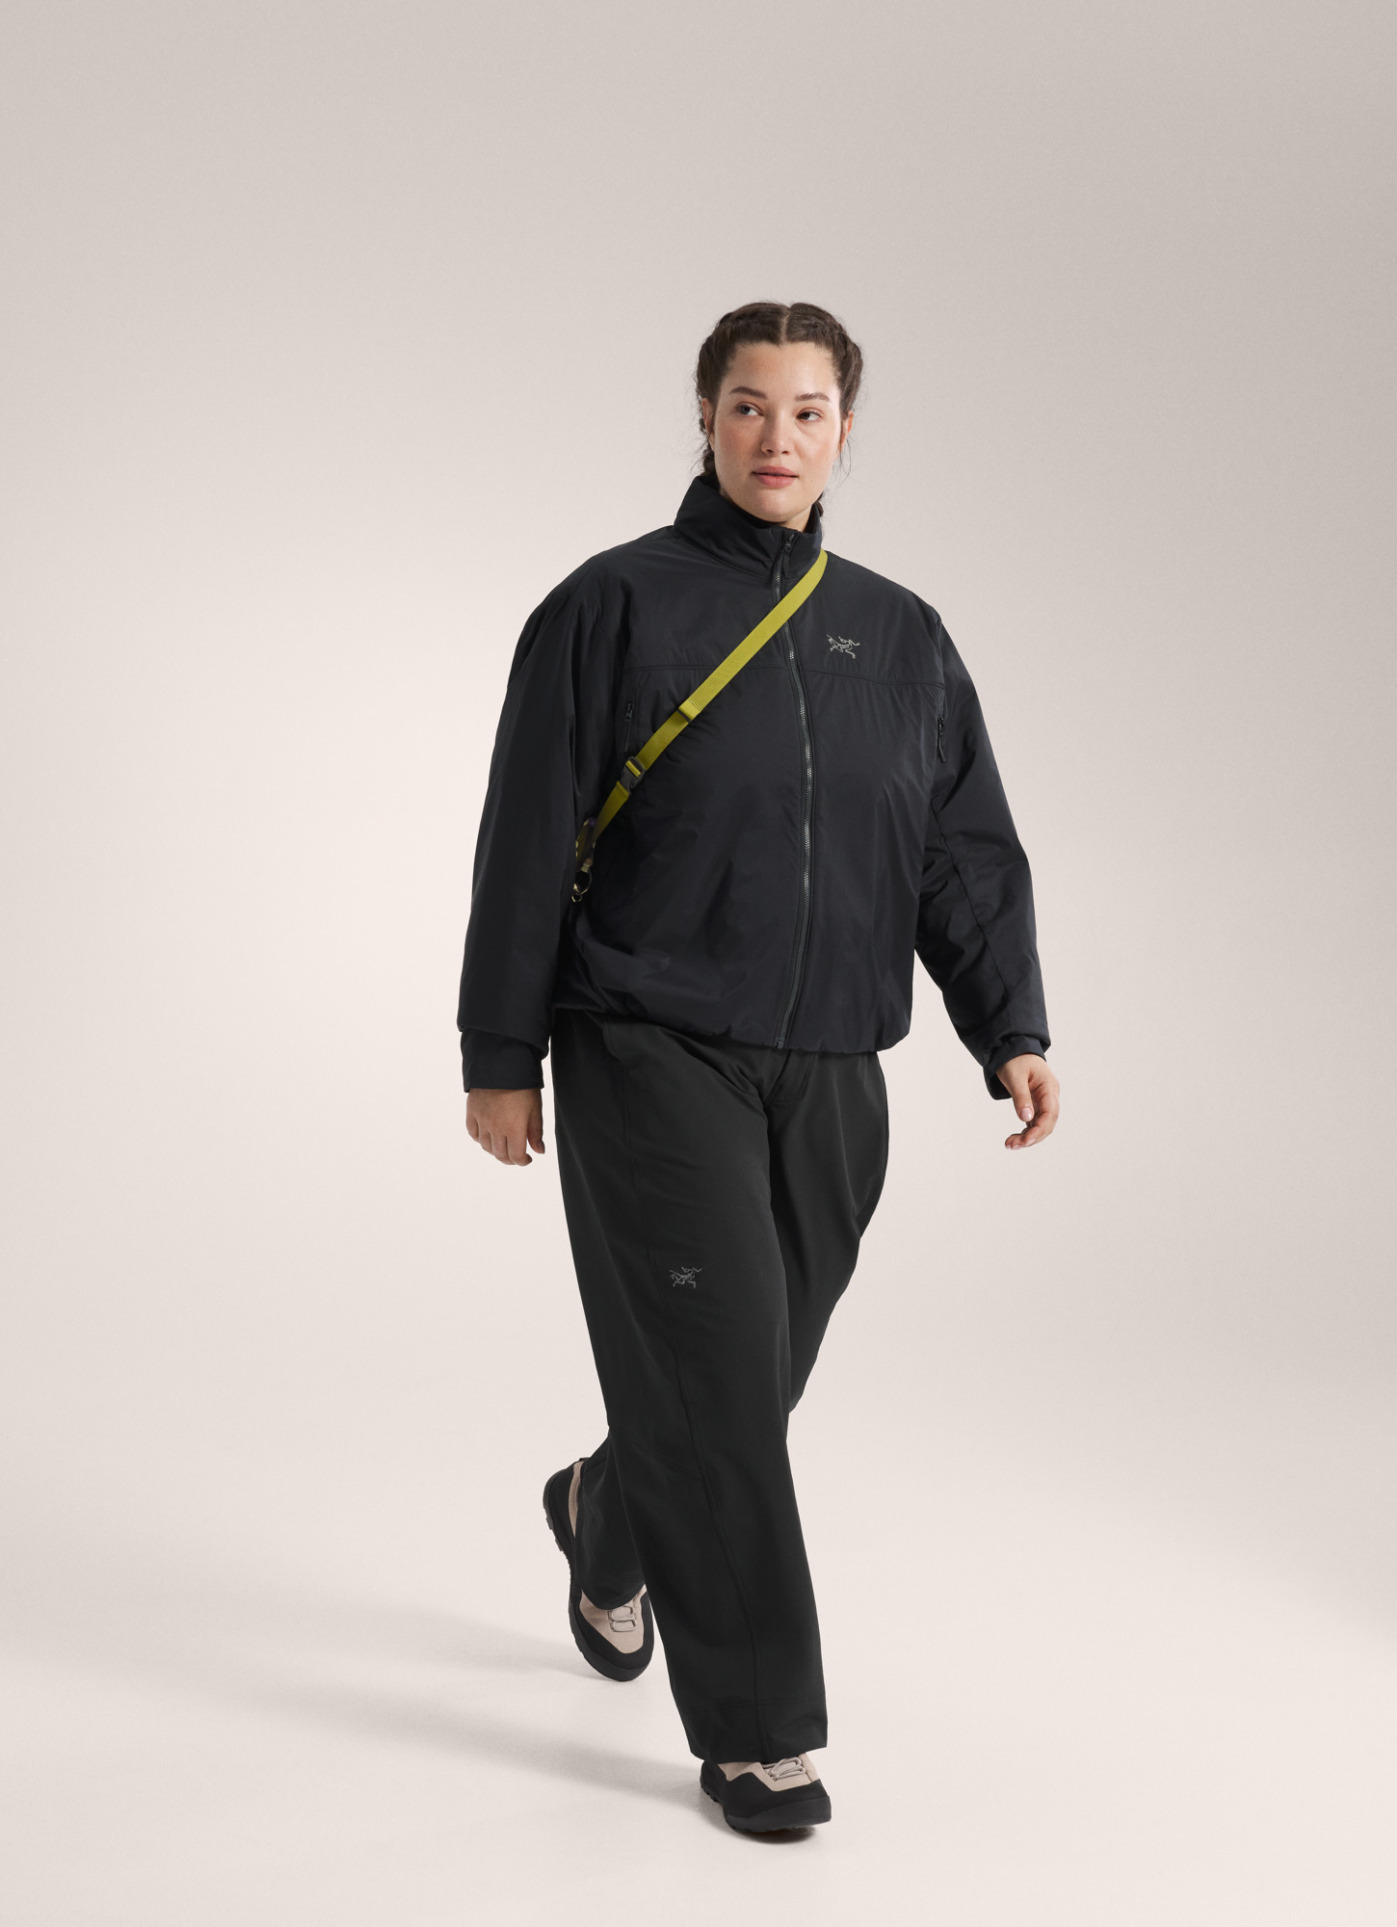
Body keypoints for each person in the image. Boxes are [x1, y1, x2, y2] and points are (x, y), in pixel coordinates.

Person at [457, 300, 1059, 1833]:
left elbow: (958, 849)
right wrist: (500, 1050)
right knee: (717, 1385)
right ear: (705, 418)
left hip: (834, 1058)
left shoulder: (901, 635)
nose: (774, 437)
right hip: (647, 1041)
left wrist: (1009, 1023)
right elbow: (526, 833)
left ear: (844, 430)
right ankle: (755, 1733)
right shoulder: (610, 605)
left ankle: (606, 1509)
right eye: (745, 406)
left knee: (743, 1372)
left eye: (804, 411)